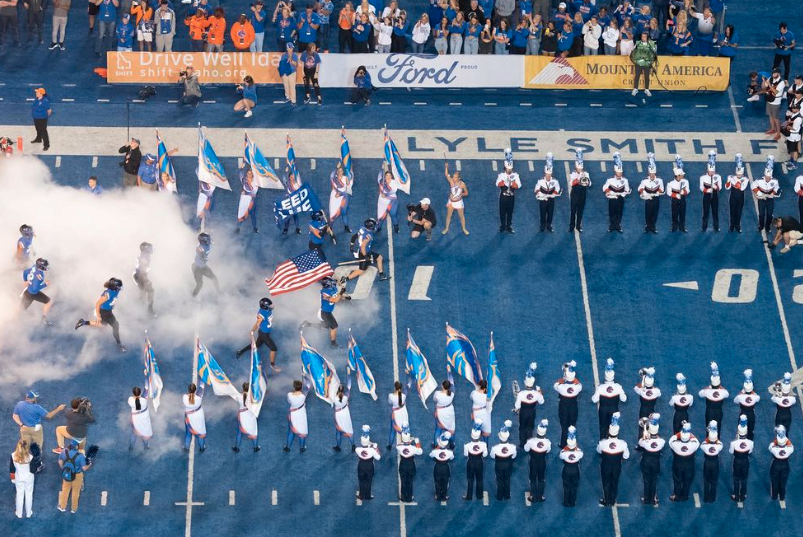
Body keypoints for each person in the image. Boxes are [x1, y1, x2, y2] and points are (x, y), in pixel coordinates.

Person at [74, 278, 126, 352]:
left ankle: (83, 322)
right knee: (116, 325)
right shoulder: (108, 294)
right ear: (114, 287)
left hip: (107, 310)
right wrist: (98, 315)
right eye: (119, 287)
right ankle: (119, 344)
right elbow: (98, 304)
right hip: (105, 312)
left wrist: (111, 304)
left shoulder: (115, 290)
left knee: (102, 325)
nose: (120, 288)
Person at [300, 276, 349, 348]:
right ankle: (333, 344)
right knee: (334, 327)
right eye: (331, 283)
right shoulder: (324, 292)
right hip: (324, 313)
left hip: (326, 311)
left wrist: (344, 297)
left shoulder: (333, 288)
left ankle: (307, 324)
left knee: (325, 327)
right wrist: (341, 292)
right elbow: (334, 300)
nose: (333, 283)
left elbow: (336, 296)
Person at [235, 298, 280, 371]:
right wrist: (252, 331)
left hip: (265, 332)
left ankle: (241, 351)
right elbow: (257, 323)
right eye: (269, 305)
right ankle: (272, 365)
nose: (271, 306)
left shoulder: (268, 309)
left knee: (257, 345)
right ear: (265, 306)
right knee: (273, 348)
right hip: (264, 334)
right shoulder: (262, 313)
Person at [596, 412, 628, 507]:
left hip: (605, 465)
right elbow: (626, 456)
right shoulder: (623, 443)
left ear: (608, 432)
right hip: (617, 466)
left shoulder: (603, 443)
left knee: (606, 482)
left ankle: (606, 500)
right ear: (617, 433)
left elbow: (599, 451)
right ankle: (612, 500)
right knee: (614, 482)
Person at [592, 358, 627, 440]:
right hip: (614, 408)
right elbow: (624, 399)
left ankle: (602, 442)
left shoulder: (601, 387)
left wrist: (598, 390)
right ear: (613, 376)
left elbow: (594, 400)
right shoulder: (618, 387)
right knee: (613, 426)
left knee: (603, 426)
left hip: (603, 409)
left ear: (605, 376)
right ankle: (612, 441)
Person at [57, 439, 91, 513]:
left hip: (66, 474)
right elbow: (84, 468)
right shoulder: (80, 456)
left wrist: (64, 469)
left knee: (65, 490)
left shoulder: (64, 451)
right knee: (75, 492)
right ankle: (73, 509)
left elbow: (60, 461)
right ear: (77, 446)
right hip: (77, 476)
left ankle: (62, 507)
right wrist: (89, 465)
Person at [668, 420, 698, 502]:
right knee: (687, 481)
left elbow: (671, 440)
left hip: (678, 464)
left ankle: (677, 496)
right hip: (689, 464)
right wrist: (688, 431)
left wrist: (680, 433)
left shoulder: (675, 444)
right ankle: (685, 496)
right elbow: (695, 440)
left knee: (677, 480)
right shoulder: (693, 444)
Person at [515, 363, 543, 447]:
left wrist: (517, 408)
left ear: (525, 383)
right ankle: (529, 443)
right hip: (532, 412)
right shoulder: (536, 393)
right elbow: (541, 402)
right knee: (530, 427)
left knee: (522, 427)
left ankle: (522, 443)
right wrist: (540, 393)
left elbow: (517, 406)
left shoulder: (521, 394)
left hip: (523, 412)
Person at [699, 362, 729, 440]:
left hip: (709, 411)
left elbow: (700, 394)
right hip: (719, 411)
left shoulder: (707, 391)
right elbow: (727, 394)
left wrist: (709, 387)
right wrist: (720, 386)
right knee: (718, 426)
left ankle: (708, 439)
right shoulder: (723, 392)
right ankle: (717, 440)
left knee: (708, 426)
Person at [555, 361, 581, 447]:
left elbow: (555, 385)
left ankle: (563, 444)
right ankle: (572, 444)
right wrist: (570, 377)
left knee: (564, 426)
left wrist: (564, 378)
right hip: (573, 407)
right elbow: (578, 383)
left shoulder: (561, 387)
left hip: (563, 408)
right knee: (572, 426)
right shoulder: (578, 387)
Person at [602, 153, 631, 233]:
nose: (620, 174)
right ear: (615, 172)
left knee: (619, 212)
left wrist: (623, 194)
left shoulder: (625, 180)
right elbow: (604, 187)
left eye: (621, 172)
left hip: (620, 198)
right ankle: (612, 225)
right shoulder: (610, 180)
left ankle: (617, 225)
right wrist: (609, 192)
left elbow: (627, 190)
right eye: (618, 172)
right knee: (612, 211)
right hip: (612, 198)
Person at [524, 418, 550, 503]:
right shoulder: (547, 442)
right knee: (541, 479)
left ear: (537, 431)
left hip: (533, 462)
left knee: (532, 478)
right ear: (544, 433)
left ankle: (533, 496)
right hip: (542, 462)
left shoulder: (531, 441)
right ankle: (540, 496)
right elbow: (548, 450)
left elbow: (526, 449)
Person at [21, 258, 53, 326]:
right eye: (45, 266)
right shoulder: (40, 275)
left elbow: (25, 272)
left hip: (28, 291)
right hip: (32, 294)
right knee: (48, 302)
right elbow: (35, 289)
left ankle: (8, 317)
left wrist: (25, 281)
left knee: (20, 309)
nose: (46, 267)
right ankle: (43, 319)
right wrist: (45, 284)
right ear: (41, 267)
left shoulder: (34, 267)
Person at [10, 439, 37, 518]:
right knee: (29, 495)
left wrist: (12, 478)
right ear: (26, 448)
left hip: (18, 478)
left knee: (19, 495)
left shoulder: (13, 455)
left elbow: (11, 468)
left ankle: (19, 513)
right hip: (29, 478)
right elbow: (33, 470)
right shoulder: (31, 457)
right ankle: (28, 513)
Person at [534, 153, 561, 232]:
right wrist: (541, 195)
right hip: (543, 200)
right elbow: (536, 189)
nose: (548, 176)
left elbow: (557, 188)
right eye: (547, 174)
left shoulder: (555, 181)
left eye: (549, 174)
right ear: (545, 173)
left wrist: (554, 194)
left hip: (551, 200)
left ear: (551, 173)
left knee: (550, 213)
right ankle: (542, 225)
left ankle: (549, 225)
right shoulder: (540, 181)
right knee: (542, 213)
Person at [753, 156, 780, 234]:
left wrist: (773, 193)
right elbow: (753, 186)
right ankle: (761, 226)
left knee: (769, 214)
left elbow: (777, 187)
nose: (768, 178)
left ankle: (767, 227)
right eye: (767, 177)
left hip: (770, 198)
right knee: (761, 214)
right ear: (764, 175)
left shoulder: (775, 181)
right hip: (761, 197)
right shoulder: (759, 180)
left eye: (769, 177)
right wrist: (759, 193)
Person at [496, 149, 521, 233]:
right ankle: (503, 226)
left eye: (510, 169)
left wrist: (515, 185)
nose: (509, 170)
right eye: (508, 169)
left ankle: (509, 226)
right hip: (503, 196)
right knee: (502, 212)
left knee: (510, 212)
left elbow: (519, 185)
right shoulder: (501, 175)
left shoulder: (515, 175)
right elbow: (497, 184)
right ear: (505, 168)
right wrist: (501, 183)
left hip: (511, 196)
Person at [490, 420, 516, 501]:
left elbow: (492, 456)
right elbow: (514, 456)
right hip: (508, 464)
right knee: (507, 479)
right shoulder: (512, 447)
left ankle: (499, 496)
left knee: (499, 480)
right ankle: (507, 495)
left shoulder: (495, 448)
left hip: (499, 465)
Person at [638, 154, 664, 233]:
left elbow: (662, 188)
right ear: (649, 173)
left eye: (653, 174)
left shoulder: (659, 180)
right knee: (648, 213)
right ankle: (647, 226)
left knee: (655, 212)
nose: (652, 175)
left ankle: (653, 226)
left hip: (656, 198)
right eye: (651, 174)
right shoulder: (644, 181)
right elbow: (640, 188)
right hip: (648, 199)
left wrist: (657, 192)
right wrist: (644, 193)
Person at [442, 160, 469, 235]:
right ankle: (446, 228)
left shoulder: (462, 184)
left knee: (461, 216)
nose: (453, 178)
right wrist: (446, 167)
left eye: (455, 177)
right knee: (448, 216)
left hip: (459, 203)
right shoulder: (451, 181)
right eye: (453, 177)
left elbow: (466, 193)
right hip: (451, 202)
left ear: (459, 178)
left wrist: (461, 195)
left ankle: (464, 228)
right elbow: (446, 174)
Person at [730, 415, 753, 503]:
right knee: (744, 478)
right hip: (745, 461)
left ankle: (735, 495)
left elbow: (731, 452)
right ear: (746, 432)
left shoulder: (734, 443)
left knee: (736, 478)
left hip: (737, 461)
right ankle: (743, 495)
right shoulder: (750, 442)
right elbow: (750, 452)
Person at [463, 420, 488, 500]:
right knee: (479, 479)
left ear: (471, 435)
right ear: (479, 436)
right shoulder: (483, 445)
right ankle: (479, 495)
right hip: (479, 462)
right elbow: (485, 455)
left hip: (470, 462)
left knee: (470, 480)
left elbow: (466, 455)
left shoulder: (467, 445)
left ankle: (469, 496)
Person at [633, 367, 661, 439]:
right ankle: (650, 440)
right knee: (651, 426)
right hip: (652, 410)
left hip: (643, 410)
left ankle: (640, 442)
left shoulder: (641, 391)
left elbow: (636, 387)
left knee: (642, 426)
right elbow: (659, 393)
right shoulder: (657, 391)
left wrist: (643, 379)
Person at [396, 426, 422, 502]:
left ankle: (403, 497)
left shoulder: (398, 447)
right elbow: (420, 451)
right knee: (410, 481)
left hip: (403, 464)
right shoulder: (414, 448)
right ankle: (409, 497)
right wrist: (417, 442)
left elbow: (400, 445)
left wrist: (407, 441)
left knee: (403, 481)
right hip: (411, 465)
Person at [284, 378, 311, 452]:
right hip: (301, 415)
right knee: (302, 431)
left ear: (294, 387)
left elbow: (289, 401)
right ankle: (302, 447)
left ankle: (287, 447)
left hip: (292, 414)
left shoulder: (289, 395)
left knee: (290, 432)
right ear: (301, 387)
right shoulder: (303, 396)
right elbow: (308, 385)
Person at [769, 425, 794, 503]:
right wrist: (784, 436)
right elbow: (790, 443)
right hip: (785, 465)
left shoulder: (774, 449)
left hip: (776, 465)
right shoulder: (789, 449)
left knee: (774, 481)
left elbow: (771, 445)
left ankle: (774, 496)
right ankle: (782, 497)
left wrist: (778, 439)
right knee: (783, 482)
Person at [733, 369, 760, 441]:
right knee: (751, 430)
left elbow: (735, 401)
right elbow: (758, 398)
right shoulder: (755, 397)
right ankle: (750, 442)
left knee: (741, 429)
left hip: (743, 412)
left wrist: (742, 391)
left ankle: (739, 441)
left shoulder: (740, 396)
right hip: (751, 414)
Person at [191, 232, 219, 297]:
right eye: (207, 239)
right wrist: (202, 255)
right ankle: (192, 297)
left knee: (214, 278)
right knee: (200, 284)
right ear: (203, 241)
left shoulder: (205, 245)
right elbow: (200, 251)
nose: (209, 240)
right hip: (196, 268)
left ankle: (219, 293)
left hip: (203, 267)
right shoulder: (200, 247)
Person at [233, 382, 259, 453]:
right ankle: (256, 447)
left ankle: (237, 447)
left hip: (242, 415)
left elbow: (236, 396)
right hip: (251, 414)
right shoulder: (253, 396)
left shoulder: (239, 396)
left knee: (239, 432)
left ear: (243, 388)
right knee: (254, 431)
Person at [699, 150, 722, 232]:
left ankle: (716, 227)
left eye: (713, 171)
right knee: (705, 212)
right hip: (706, 196)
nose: (712, 172)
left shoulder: (718, 177)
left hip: (715, 196)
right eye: (710, 171)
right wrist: (707, 190)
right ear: (708, 170)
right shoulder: (703, 178)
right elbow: (701, 188)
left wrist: (715, 186)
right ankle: (704, 227)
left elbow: (720, 187)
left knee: (715, 212)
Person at [560, 425, 582, 507]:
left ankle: (566, 502)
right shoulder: (579, 452)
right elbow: (581, 455)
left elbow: (560, 456)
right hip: (575, 470)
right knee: (574, 486)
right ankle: (572, 502)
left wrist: (566, 448)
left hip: (566, 470)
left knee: (566, 486)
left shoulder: (564, 452)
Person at [700, 420, 722, 503]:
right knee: (714, 481)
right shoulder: (719, 445)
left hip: (707, 463)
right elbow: (718, 442)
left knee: (706, 480)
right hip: (715, 463)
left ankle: (706, 498)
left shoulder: (705, 446)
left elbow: (703, 444)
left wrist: (709, 437)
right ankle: (712, 498)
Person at [355, 425, 380, 500]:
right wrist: (376, 448)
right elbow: (378, 457)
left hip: (361, 465)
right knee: (369, 481)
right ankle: (368, 496)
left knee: (361, 481)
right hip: (369, 466)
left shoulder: (357, 449)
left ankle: (361, 496)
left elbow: (365, 448)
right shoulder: (372, 450)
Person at [568, 149, 590, 233]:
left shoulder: (586, 173)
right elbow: (571, 183)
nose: (580, 170)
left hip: (582, 194)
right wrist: (578, 179)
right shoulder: (573, 174)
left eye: (581, 168)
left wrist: (586, 180)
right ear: (576, 167)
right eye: (578, 168)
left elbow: (590, 183)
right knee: (573, 211)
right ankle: (571, 225)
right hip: (574, 194)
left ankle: (578, 226)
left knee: (580, 211)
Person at [666, 155, 690, 233]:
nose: (683, 175)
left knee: (683, 213)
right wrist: (676, 195)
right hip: (674, 200)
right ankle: (674, 227)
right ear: (678, 176)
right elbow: (669, 192)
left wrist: (684, 192)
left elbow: (688, 190)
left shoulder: (685, 181)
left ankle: (682, 227)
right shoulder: (671, 183)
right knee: (674, 213)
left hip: (682, 199)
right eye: (682, 175)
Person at [132, 242, 156, 317]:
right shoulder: (145, 256)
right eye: (150, 248)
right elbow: (142, 269)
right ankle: (148, 309)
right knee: (150, 290)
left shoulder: (145, 254)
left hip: (139, 275)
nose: (151, 250)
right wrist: (145, 280)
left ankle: (141, 308)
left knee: (143, 291)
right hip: (140, 276)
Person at [725, 154, 748, 233]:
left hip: (740, 197)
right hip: (733, 197)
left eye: (740, 174)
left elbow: (742, 188)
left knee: (739, 212)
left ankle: (737, 226)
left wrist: (736, 183)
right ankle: (731, 226)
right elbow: (727, 187)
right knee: (732, 212)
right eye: (738, 174)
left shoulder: (745, 179)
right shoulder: (731, 177)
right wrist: (728, 182)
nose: (739, 175)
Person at [432, 372, 455, 448]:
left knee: (438, 429)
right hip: (449, 412)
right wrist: (449, 372)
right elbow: (452, 382)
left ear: (442, 386)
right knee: (450, 430)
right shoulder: (452, 394)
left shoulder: (437, 394)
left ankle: (436, 445)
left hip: (440, 413)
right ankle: (452, 445)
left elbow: (434, 400)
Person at [329, 161, 353, 232]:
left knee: (344, 212)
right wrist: (336, 167)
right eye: (338, 171)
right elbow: (332, 178)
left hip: (343, 197)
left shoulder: (345, 178)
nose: (340, 172)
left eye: (341, 171)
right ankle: (329, 227)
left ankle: (346, 226)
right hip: (335, 196)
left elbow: (348, 186)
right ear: (336, 171)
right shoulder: (334, 178)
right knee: (333, 214)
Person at [332, 376, 354, 452]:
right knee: (349, 429)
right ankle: (353, 445)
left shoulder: (334, 398)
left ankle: (338, 446)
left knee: (338, 431)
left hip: (338, 415)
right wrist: (348, 374)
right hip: (345, 413)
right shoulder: (346, 396)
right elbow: (349, 385)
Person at [630, 31, 656, 96]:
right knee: (637, 76)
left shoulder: (650, 44)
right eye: (642, 36)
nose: (643, 38)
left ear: (647, 38)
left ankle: (646, 89)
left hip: (647, 63)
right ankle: (635, 89)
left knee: (647, 76)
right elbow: (633, 51)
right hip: (638, 63)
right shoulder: (638, 43)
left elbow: (654, 52)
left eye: (644, 37)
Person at [182, 383, 206, 452]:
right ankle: (202, 448)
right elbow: (201, 387)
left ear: (188, 390)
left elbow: (190, 397)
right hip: (198, 416)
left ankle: (186, 447)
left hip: (189, 418)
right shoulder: (199, 397)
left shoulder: (184, 397)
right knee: (200, 433)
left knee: (188, 433)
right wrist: (203, 377)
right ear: (195, 390)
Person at [430, 432, 453, 501]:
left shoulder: (435, 452)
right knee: (445, 482)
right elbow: (452, 458)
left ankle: (438, 495)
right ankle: (444, 496)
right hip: (446, 467)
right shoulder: (449, 452)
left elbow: (431, 455)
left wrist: (437, 448)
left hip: (437, 467)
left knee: (437, 482)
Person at [376, 167, 400, 234]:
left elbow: (393, 191)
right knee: (381, 216)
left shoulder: (394, 183)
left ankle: (396, 227)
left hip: (392, 202)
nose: (388, 177)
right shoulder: (382, 182)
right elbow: (380, 190)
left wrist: (386, 195)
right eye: (387, 175)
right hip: (382, 202)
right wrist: (382, 192)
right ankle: (379, 227)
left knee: (393, 214)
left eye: (390, 175)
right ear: (385, 176)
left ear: (392, 176)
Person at [236, 166, 259, 233]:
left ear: (253, 174)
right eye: (248, 173)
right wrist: (241, 168)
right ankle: (238, 228)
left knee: (252, 215)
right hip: (244, 201)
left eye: (250, 173)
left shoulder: (256, 181)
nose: (249, 175)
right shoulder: (244, 180)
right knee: (241, 213)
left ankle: (254, 227)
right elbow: (240, 174)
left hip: (252, 201)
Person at [128, 386, 152, 451]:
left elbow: (137, 399)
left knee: (134, 433)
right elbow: (146, 390)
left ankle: (131, 448)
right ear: (140, 392)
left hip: (135, 419)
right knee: (145, 433)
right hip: (144, 418)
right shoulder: (144, 401)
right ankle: (146, 447)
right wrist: (147, 377)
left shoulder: (130, 400)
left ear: (133, 393)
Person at [765, 69, 787, 140]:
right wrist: (764, 81)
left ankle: (778, 133)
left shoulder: (782, 82)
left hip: (776, 102)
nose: (773, 74)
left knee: (776, 118)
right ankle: (772, 129)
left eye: (775, 73)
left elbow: (775, 92)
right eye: (773, 73)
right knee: (770, 116)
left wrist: (768, 84)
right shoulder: (770, 78)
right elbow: (764, 87)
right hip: (769, 100)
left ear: (779, 74)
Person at [387, 380, 409, 449]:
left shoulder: (391, 396)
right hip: (403, 412)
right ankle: (405, 443)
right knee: (405, 429)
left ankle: (390, 446)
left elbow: (390, 402)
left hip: (395, 414)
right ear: (401, 388)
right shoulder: (403, 396)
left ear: (395, 387)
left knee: (393, 430)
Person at [279, 42, 299, 106]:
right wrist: (282, 73)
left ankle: (293, 101)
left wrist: (290, 60)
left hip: (292, 72)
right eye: (290, 48)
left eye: (292, 48)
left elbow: (296, 64)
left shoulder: (295, 55)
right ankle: (288, 97)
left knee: (292, 86)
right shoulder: (283, 55)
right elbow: (282, 64)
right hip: (285, 72)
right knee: (286, 85)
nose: (291, 49)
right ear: (287, 48)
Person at [785, 102, 802, 170]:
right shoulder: (794, 115)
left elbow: (794, 128)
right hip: (791, 136)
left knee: (794, 150)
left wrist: (787, 126)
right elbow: (791, 122)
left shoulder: (798, 119)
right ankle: (791, 161)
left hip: (794, 136)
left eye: (794, 108)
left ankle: (794, 164)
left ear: (798, 109)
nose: (793, 109)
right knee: (791, 150)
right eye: (793, 108)